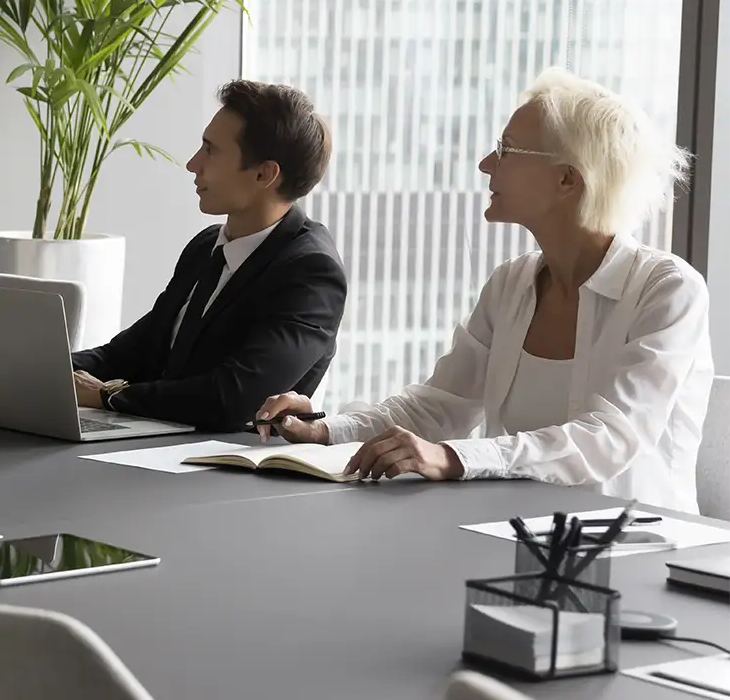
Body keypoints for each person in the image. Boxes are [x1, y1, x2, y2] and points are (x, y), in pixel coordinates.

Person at [259, 68, 713, 510]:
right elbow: (440, 407)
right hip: (514, 534)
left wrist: (456, 457)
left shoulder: (668, 292)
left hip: (639, 549)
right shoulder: (512, 284)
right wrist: (325, 431)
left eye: (507, 150)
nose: (485, 164)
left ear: (567, 179)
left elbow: (610, 437)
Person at [68, 80, 347, 432]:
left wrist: (108, 396)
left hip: (223, 471)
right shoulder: (206, 247)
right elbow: (129, 353)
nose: (191, 164)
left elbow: (233, 396)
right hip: (153, 450)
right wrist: (41, 370)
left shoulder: (311, 272)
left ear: (264, 174)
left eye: (210, 150)